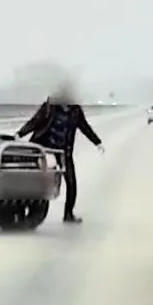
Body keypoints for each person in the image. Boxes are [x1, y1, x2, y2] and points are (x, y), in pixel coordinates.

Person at [16, 82, 103, 223]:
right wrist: (20, 134)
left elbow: (85, 127)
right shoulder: (50, 107)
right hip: (44, 149)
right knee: (34, 180)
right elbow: (35, 122)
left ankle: (68, 214)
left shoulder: (76, 111)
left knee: (71, 182)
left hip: (63, 152)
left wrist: (97, 142)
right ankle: (24, 210)